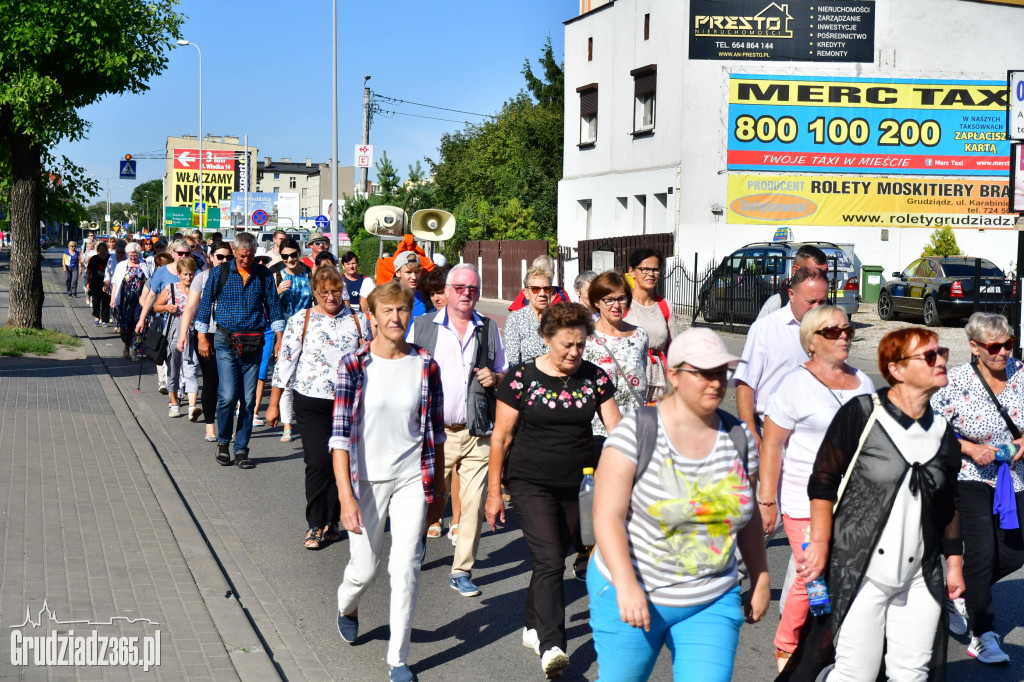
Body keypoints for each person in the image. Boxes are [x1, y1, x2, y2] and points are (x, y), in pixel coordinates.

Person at [780, 328, 964, 682]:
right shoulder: (863, 414)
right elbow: (823, 480)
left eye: (941, 352)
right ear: (896, 369)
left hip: (919, 576)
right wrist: (818, 544)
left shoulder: (943, 430)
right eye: (928, 356)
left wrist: (953, 564)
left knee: (912, 674)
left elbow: (949, 500)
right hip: (860, 569)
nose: (941, 360)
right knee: (856, 673)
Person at [588, 327, 769, 681]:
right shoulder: (636, 433)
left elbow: (744, 518)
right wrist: (626, 585)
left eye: (721, 373)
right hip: (635, 590)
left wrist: (760, 576)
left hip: (711, 597)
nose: (716, 383)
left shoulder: (739, 438)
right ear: (673, 374)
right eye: (702, 373)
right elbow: (606, 515)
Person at [486, 302, 622, 678]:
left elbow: (619, 431)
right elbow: (501, 437)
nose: (575, 353)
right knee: (548, 560)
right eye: (567, 345)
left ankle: (532, 624)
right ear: (547, 339)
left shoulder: (594, 378)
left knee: (556, 556)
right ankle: (553, 646)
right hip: (530, 483)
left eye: (580, 345)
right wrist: (495, 491)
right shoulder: (520, 378)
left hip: (578, 486)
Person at [330, 281, 446, 682]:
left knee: (406, 567)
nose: (395, 318)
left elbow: (436, 433)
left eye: (402, 310)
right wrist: (345, 495)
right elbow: (340, 437)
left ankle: (399, 659)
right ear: (373, 316)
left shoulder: (426, 364)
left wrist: (440, 490)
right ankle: (347, 605)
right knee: (364, 569)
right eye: (388, 311)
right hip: (365, 481)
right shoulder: (355, 364)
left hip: (412, 476)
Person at [759, 306, 875, 672]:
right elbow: (772, 446)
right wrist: (767, 499)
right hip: (803, 498)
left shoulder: (863, 383)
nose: (844, 335)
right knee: (814, 576)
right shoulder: (794, 384)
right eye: (832, 331)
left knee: (844, 577)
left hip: (854, 500)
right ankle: (789, 645)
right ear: (811, 341)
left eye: (847, 329)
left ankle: (829, 645)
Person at [408, 263, 508, 597]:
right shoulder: (422, 327)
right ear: (448, 291)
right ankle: (417, 538)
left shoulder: (488, 329)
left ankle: (461, 569)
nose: (467, 294)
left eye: (473, 290)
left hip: (477, 432)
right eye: (461, 288)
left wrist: (495, 379)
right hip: (435, 433)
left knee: (474, 503)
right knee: (430, 500)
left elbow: (503, 373)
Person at [931, 312, 1024, 663]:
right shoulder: (955, 381)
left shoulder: (1021, 373)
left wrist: (1022, 444)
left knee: (1015, 553)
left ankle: (961, 589)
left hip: (1013, 476)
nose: (1003, 352)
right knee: (982, 551)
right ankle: (983, 633)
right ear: (974, 346)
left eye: (1008, 344)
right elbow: (933, 426)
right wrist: (971, 449)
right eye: (994, 346)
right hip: (969, 475)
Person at [267, 266, 367, 549]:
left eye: (336, 291)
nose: (331, 297)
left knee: (344, 462)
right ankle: (314, 523)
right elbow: (285, 363)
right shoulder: (302, 319)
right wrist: (273, 404)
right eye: (324, 293)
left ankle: (333, 520)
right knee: (318, 461)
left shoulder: (359, 321)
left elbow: (372, 360)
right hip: (310, 400)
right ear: (315, 293)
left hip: (349, 403)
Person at [194, 232, 285, 470]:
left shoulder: (263, 274)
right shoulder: (219, 273)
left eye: (251, 255)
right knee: (227, 395)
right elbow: (204, 306)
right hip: (225, 341)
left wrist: (279, 337)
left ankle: (242, 449)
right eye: (243, 256)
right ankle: (223, 442)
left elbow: (274, 307)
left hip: (254, 343)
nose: (247, 260)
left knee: (247, 400)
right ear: (234, 251)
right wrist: (202, 337)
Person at [733, 266, 829, 451]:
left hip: (816, 439)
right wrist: (750, 431)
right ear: (791, 294)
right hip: (773, 437)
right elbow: (746, 382)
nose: (817, 308)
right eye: (811, 301)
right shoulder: (765, 328)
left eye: (822, 301)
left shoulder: (832, 330)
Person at [179, 241, 233, 443]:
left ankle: (226, 426)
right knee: (211, 381)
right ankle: (210, 426)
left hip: (231, 335)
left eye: (228, 257)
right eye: (220, 257)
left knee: (229, 385)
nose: (224, 261)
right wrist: (183, 334)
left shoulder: (237, 277)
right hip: (207, 334)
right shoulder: (202, 278)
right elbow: (191, 307)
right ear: (211, 257)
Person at [269, 238, 314, 441]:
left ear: (299, 253)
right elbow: (269, 304)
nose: (289, 259)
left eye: (293, 255)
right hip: (286, 330)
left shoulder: (309, 274)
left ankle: (305, 419)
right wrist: (277, 293)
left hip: (308, 329)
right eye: (285, 256)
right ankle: (287, 424)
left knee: (305, 376)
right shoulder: (277, 274)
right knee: (285, 376)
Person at [135, 239, 193, 394]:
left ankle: (183, 390)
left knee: (186, 360)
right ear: (172, 253)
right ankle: (173, 391)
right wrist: (142, 319)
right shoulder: (162, 272)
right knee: (170, 359)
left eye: (187, 253)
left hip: (189, 324)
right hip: (166, 323)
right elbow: (151, 296)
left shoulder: (196, 271)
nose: (183, 256)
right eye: (180, 253)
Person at [623, 248, 676, 402]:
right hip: (629, 377)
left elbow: (674, 348)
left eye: (655, 270)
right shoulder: (622, 303)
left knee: (654, 424)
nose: (651, 274)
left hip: (659, 380)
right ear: (632, 271)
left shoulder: (665, 305)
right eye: (645, 269)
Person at [154, 256, 200, 420]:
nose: (189, 278)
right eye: (186, 274)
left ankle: (192, 408)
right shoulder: (171, 288)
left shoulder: (198, 290)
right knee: (173, 370)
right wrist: (167, 307)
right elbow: (157, 306)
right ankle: (174, 404)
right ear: (179, 274)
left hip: (193, 334)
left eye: (192, 274)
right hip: (174, 333)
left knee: (191, 370)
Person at [756, 245, 829, 320]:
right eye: (813, 273)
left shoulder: (829, 307)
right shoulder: (776, 304)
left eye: (825, 273)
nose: (821, 279)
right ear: (795, 271)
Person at [503, 266, 554, 366]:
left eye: (547, 289)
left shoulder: (559, 319)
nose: (542, 294)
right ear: (526, 293)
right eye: (536, 289)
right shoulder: (515, 320)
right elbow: (512, 362)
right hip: (527, 378)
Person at [110, 242, 153, 360]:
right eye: (131, 255)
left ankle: (135, 350)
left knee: (139, 323)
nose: (133, 258)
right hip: (125, 300)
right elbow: (115, 283)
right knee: (126, 324)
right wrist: (113, 299)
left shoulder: (146, 265)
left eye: (136, 255)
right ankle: (126, 345)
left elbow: (151, 282)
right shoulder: (121, 265)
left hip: (140, 301)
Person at [391, 251, 427, 317]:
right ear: (398, 273)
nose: (414, 277)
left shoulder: (427, 299)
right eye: (408, 272)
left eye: (417, 272)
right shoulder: (389, 299)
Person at [86, 242, 111, 327]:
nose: (103, 251)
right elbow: (88, 272)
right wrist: (88, 282)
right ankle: (97, 317)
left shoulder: (110, 258)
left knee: (106, 301)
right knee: (96, 301)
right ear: (98, 250)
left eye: (104, 250)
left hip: (107, 283)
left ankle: (105, 320)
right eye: (101, 249)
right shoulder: (94, 259)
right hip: (95, 283)